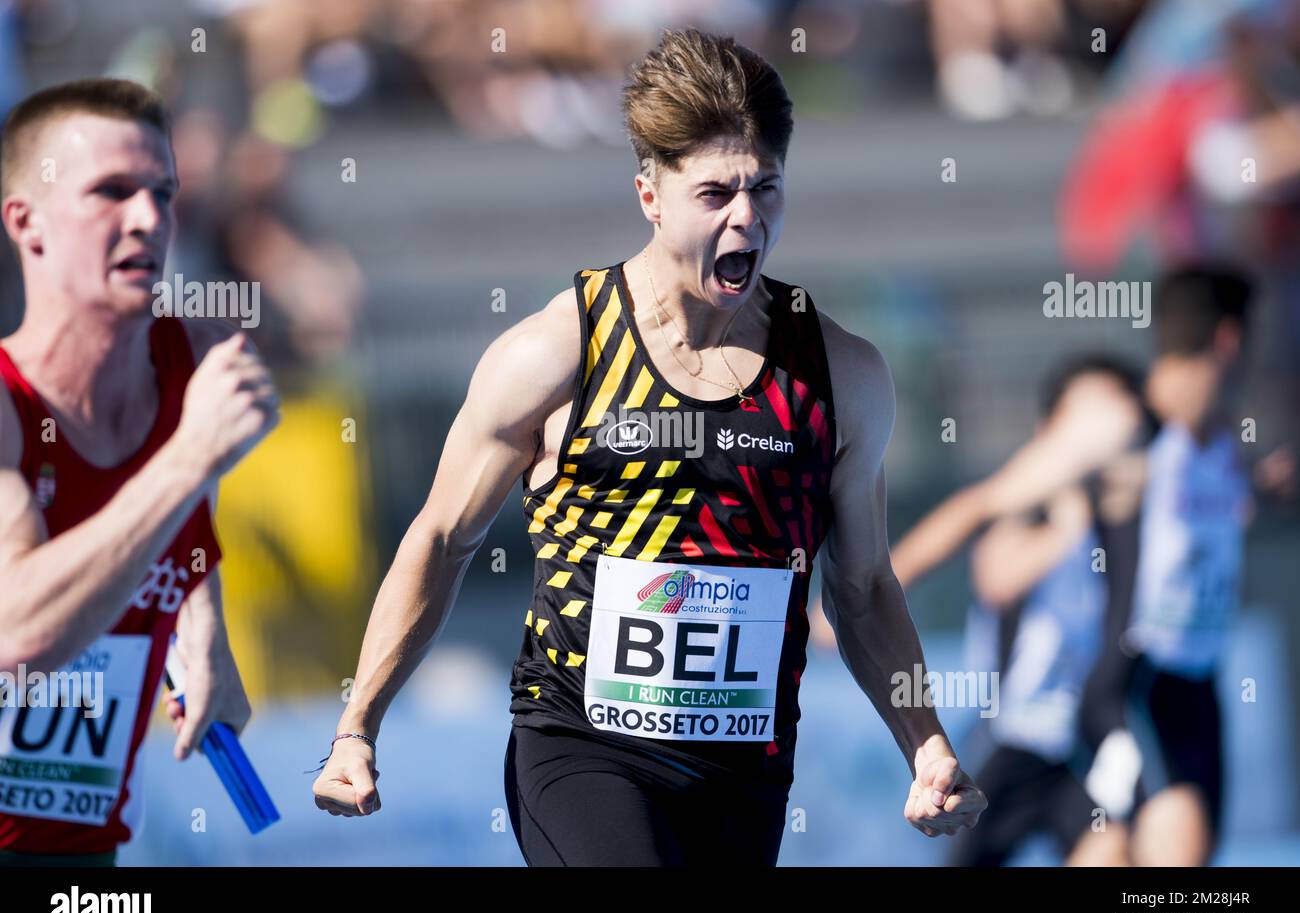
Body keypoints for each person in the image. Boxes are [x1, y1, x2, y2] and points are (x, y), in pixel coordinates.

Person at [313, 27, 986, 865]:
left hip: (746, 773)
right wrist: (356, 728)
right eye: (715, 195)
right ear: (650, 197)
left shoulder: (839, 373)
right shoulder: (558, 352)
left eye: (765, 189)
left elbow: (863, 589)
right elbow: (443, 539)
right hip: (583, 750)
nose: (747, 218)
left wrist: (926, 746)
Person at [892, 263, 1270, 866]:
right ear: (1230, 339)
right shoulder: (1123, 428)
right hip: (1135, 687)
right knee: (1180, 860)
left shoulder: (1221, 441)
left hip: (1200, 692)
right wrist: (865, 592)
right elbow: (984, 504)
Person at [0, 78, 280, 865]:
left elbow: (183, 525)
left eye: (163, 191)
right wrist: (189, 454)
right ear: (28, 223)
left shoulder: (191, 359)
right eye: (111, 192)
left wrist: (204, 633)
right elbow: (17, 635)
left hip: (81, 854)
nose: (150, 219)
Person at [896, 355, 1150, 866]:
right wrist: (1066, 521)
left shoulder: (1124, 520)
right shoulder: (1029, 512)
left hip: (1080, 747)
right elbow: (996, 578)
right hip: (1013, 736)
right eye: (1086, 420)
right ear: (1050, 433)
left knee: (1114, 850)